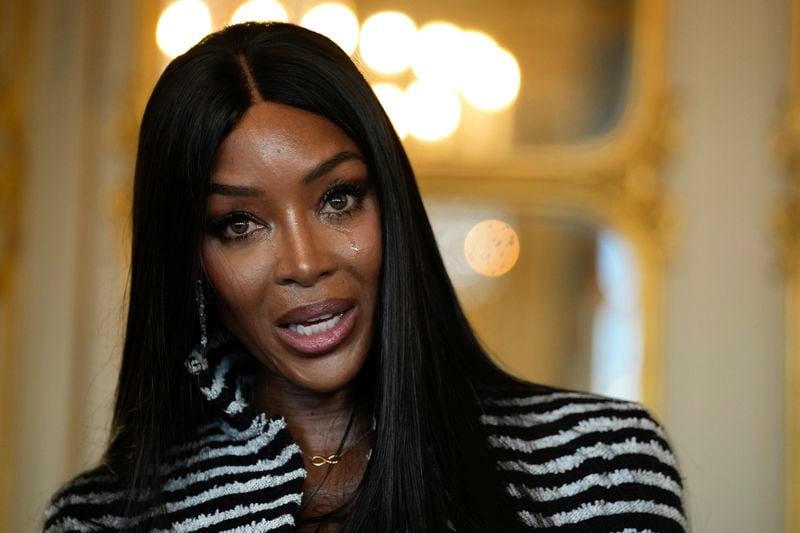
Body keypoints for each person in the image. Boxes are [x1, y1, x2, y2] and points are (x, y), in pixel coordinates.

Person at [44, 22, 686, 532]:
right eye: (239, 224)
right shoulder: (103, 519)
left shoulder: (600, 464)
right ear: (191, 259)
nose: (304, 262)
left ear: (393, 202)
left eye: (339, 198)